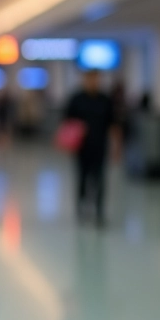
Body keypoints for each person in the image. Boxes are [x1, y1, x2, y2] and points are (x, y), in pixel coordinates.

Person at [64, 70, 120, 225]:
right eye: (90, 79)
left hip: (100, 147)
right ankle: (81, 207)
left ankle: (99, 211)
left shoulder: (105, 100)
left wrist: (117, 147)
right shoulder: (76, 99)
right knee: (82, 178)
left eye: (96, 79)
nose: (93, 82)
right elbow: (67, 123)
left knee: (100, 180)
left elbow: (113, 125)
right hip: (81, 148)